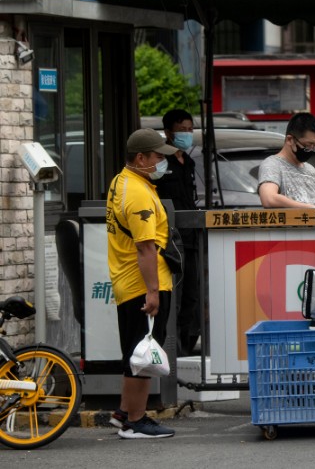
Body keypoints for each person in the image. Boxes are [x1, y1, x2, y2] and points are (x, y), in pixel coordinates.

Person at [106, 128, 178, 438]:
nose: (163, 161)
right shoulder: (136, 193)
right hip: (142, 283)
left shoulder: (123, 181)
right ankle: (135, 420)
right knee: (144, 355)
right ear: (140, 158)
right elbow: (146, 248)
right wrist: (152, 291)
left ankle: (124, 412)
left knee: (137, 351)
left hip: (128, 281)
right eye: (158, 157)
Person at [154, 109, 200, 356]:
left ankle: (185, 345)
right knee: (175, 293)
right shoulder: (161, 162)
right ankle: (170, 349)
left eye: (190, 129)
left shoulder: (190, 162)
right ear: (169, 133)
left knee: (192, 294)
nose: (187, 134)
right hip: (170, 239)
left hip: (192, 238)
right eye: (182, 130)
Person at [257, 112, 315, 208]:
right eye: (308, 145)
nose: (311, 149)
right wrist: (308, 209)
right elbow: (269, 199)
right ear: (290, 140)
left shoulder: (311, 171)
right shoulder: (272, 165)